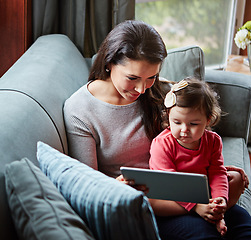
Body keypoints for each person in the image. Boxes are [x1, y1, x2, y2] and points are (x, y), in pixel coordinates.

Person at [63, 20, 251, 239]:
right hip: (147, 204)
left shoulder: (157, 94)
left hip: (187, 189)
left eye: (151, 77)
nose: (142, 89)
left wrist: (218, 175)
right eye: (132, 78)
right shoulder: (80, 110)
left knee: (244, 226)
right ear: (109, 63)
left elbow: (188, 141)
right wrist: (207, 202)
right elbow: (89, 185)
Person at [149, 77, 251, 239]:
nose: (184, 130)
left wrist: (219, 200)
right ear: (168, 116)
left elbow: (217, 173)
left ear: (208, 120)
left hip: (207, 198)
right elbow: (170, 184)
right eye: (177, 122)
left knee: (243, 221)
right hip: (174, 206)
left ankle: (218, 218)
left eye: (194, 124)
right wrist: (196, 206)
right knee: (205, 233)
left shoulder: (213, 141)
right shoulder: (162, 144)